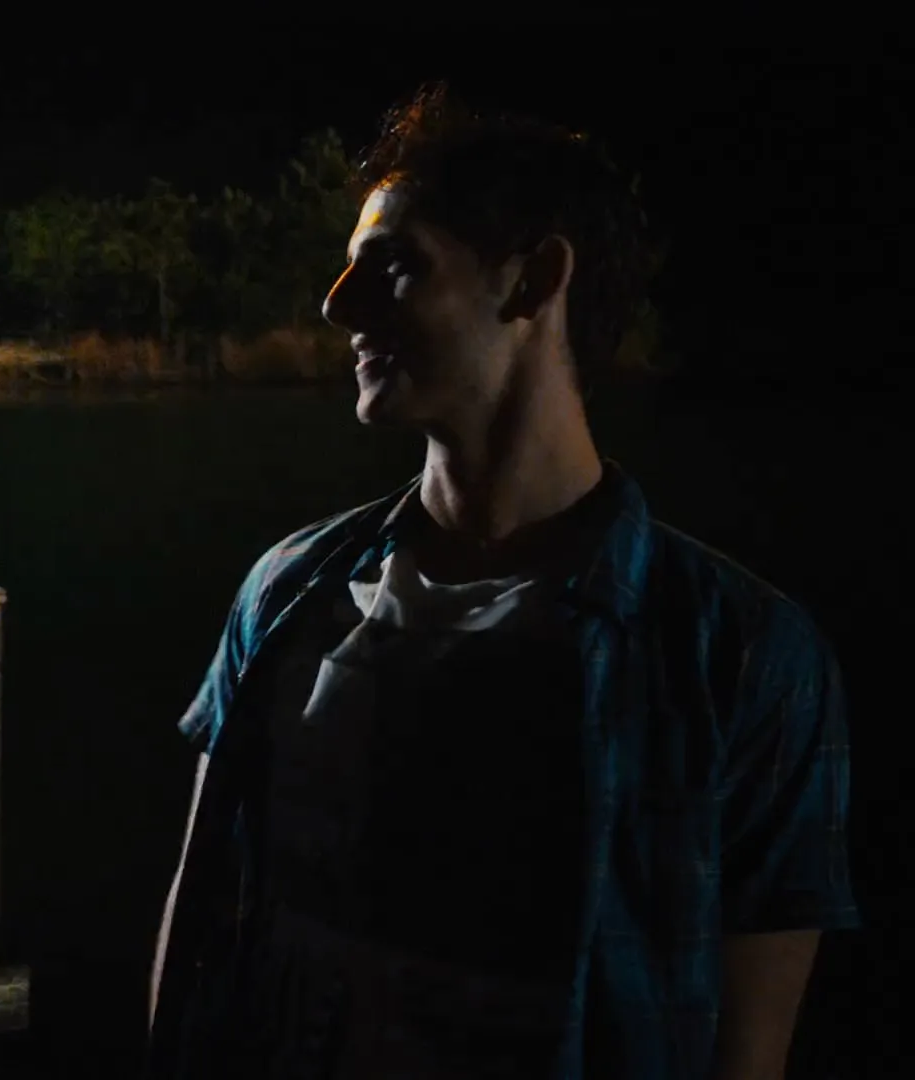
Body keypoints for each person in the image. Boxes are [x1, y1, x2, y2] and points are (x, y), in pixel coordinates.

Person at [147, 84, 859, 1079]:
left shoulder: (742, 656)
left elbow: (748, 1047)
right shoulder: (287, 595)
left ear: (532, 281)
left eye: (392, 266)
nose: (337, 304)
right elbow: (199, 920)